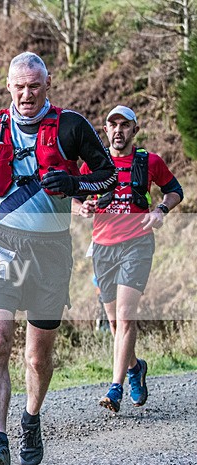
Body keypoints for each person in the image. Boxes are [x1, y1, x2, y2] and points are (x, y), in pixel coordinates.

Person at [0, 52, 117, 465]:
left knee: (36, 358)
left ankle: (31, 418)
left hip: (50, 250)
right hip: (0, 243)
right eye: (19, 86)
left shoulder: (71, 126)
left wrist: (74, 183)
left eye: (34, 86)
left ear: (48, 84)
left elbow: (108, 176)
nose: (26, 94)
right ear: (7, 86)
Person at [73, 105, 183, 413]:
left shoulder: (149, 162)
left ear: (135, 130)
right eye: (113, 125)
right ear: (105, 131)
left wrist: (161, 210)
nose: (119, 130)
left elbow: (175, 190)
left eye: (125, 125)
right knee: (113, 322)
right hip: (102, 247)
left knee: (124, 317)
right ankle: (135, 368)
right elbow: (73, 198)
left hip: (137, 245)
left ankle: (115, 387)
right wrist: (81, 209)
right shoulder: (93, 165)